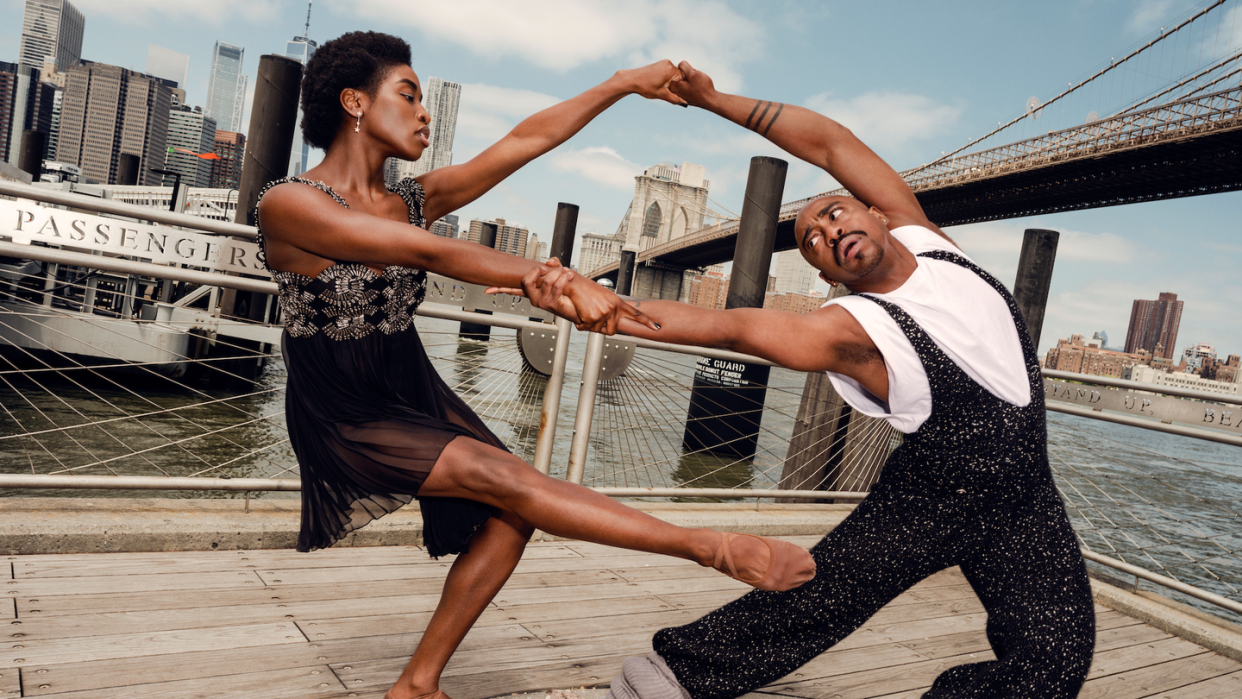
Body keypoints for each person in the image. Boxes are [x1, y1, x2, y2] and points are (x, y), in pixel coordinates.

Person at [254, 34, 817, 699]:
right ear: (354, 102)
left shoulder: (411, 197)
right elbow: (427, 254)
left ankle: (418, 684)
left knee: (511, 509)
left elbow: (525, 142)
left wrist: (620, 84)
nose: (425, 112)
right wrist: (551, 278)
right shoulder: (287, 203)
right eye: (409, 95)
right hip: (342, 405)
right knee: (506, 478)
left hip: (409, 383)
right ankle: (710, 547)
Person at [517, 61, 1096, 699]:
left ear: (877, 213)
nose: (829, 231)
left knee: (1055, 660)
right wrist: (591, 304)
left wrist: (713, 101)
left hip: (1025, 499)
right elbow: (726, 328)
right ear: (826, 277)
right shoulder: (850, 327)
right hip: (932, 500)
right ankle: (668, 677)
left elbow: (829, 143)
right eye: (813, 241)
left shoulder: (930, 241)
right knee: (815, 604)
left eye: (834, 213)